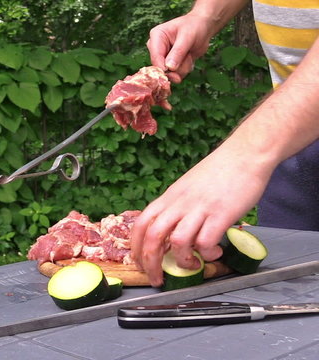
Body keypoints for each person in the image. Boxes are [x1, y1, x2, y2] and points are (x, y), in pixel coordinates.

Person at [131, 0, 319, 287]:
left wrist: (247, 153)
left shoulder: (257, 151)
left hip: (275, 135)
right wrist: (206, 15)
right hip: (292, 142)